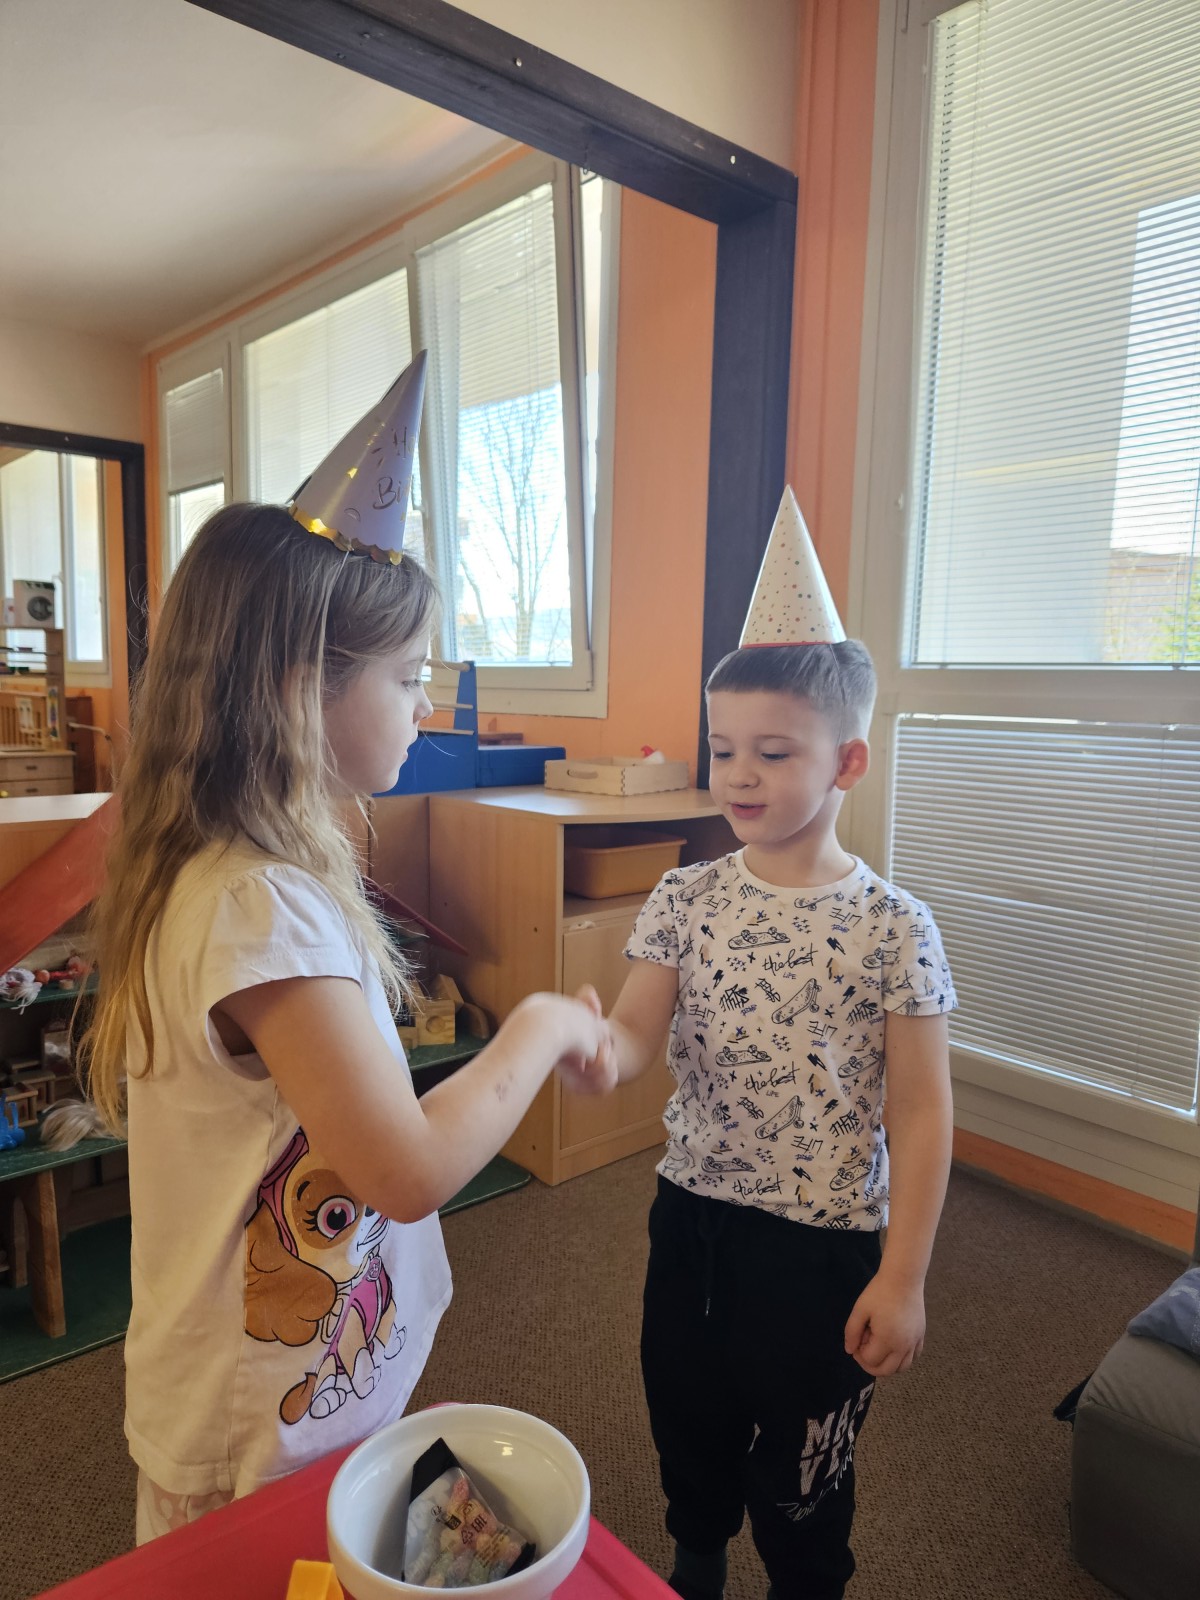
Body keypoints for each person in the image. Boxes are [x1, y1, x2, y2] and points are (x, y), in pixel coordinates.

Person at [81, 357, 614, 1543]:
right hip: (256, 1424)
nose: (426, 704)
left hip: (300, 1378)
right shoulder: (259, 905)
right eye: (410, 676)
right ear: (297, 689)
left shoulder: (234, 869)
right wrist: (537, 1026)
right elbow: (405, 1168)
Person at [605, 489, 956, 1600]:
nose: (739, 774)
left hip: (823, 1243)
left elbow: (921, 1113)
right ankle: (696, 1561)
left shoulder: (895, 926)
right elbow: (631, 1037)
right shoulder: (684, 897)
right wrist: (580, 1047)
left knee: (805, 1471)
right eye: (723, 749)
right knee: (687, 1414)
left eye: (772, 751)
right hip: (695, 1219)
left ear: (847, 763)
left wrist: (904, 1275)